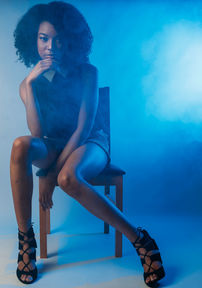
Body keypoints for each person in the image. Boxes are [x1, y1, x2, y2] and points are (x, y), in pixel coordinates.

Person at [11, 1, 165, 286]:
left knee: (68, 178)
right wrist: (30, 86)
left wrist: (50, 175)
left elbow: (82, 129)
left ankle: (141, 240)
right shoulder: (28, 83)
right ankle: (26, 241)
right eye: (43, 38)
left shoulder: (87, 72)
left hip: (90, 141)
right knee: (21, 145)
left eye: (58, 39)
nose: (50, 47)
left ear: (70, 40)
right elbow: (37, 133)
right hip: (52, 144)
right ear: (33, 40)